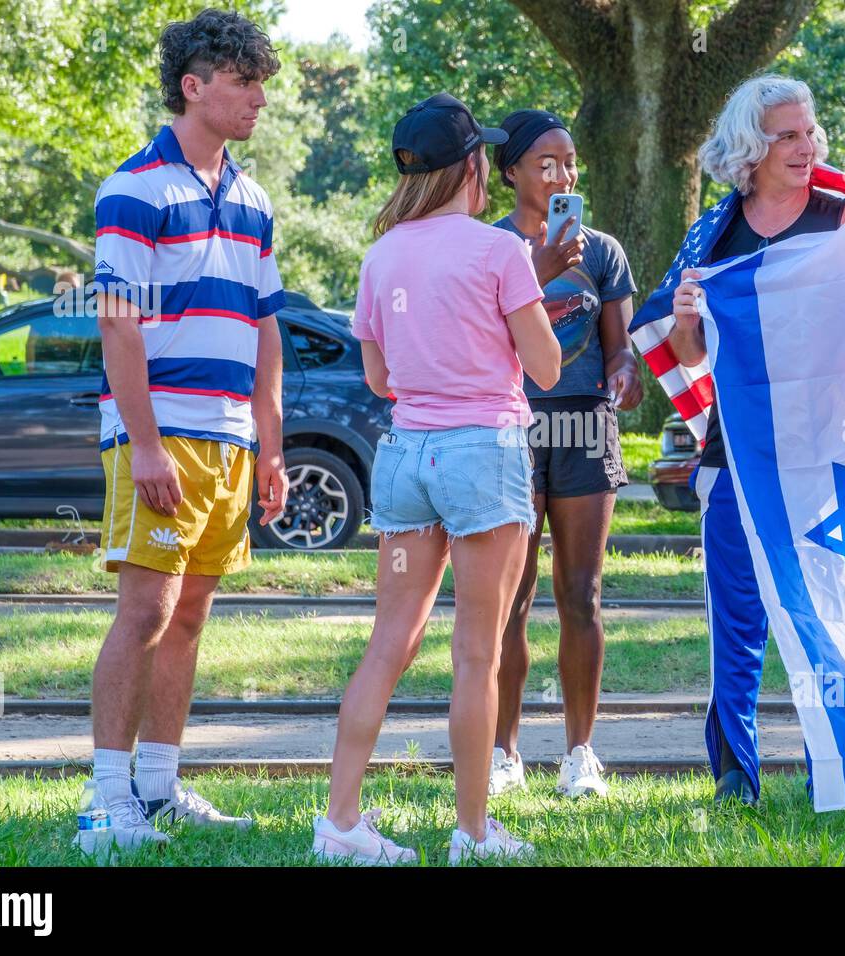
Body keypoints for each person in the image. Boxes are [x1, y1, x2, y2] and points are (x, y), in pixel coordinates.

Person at [313, 93, 561, 865]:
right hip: (482, 456)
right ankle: (474, 833)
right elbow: (547, 367)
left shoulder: (382, 254)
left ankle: (341, 824)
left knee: (389, 642)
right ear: (474, 166)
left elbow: (380, 378)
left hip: (403, 460)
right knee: (475, 654)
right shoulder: (499, 252)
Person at [662, 73, 845, 805]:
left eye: (811, 132)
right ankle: (736, 778)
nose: (807, 146)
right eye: (788, 136)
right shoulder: (715, 232)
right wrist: (686, 313)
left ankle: (836, 775)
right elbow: (688, 355)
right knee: (737, 624)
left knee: (831, 619)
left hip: (832, 454)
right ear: (752, 146)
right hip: (737, 455)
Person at [77, 9, 287, 854]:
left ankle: (159, 787)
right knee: (146, 610)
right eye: (243, 82)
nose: (259, 99)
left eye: (262, 82)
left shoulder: (255, 198)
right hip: (160, 432)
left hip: (233, 437)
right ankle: (104, 803)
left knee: (192, 611)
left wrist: (271, 445)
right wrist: (149, 442)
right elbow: (118, 324)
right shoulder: (132, 187)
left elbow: (267, 327)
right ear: (193, 86)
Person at [488, 109, 642, 798]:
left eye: (570, 161)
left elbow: (620, 350)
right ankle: (502, 754)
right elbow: (476, 341)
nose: (562, 174)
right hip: (509, 428)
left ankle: (581, 754)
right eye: (546, 163)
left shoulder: (602, 252)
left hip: (584, 428)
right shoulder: (484, 247)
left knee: (581, 594)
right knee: (507, 600)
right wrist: (533, 265)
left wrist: (623, 375)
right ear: (512, 172)